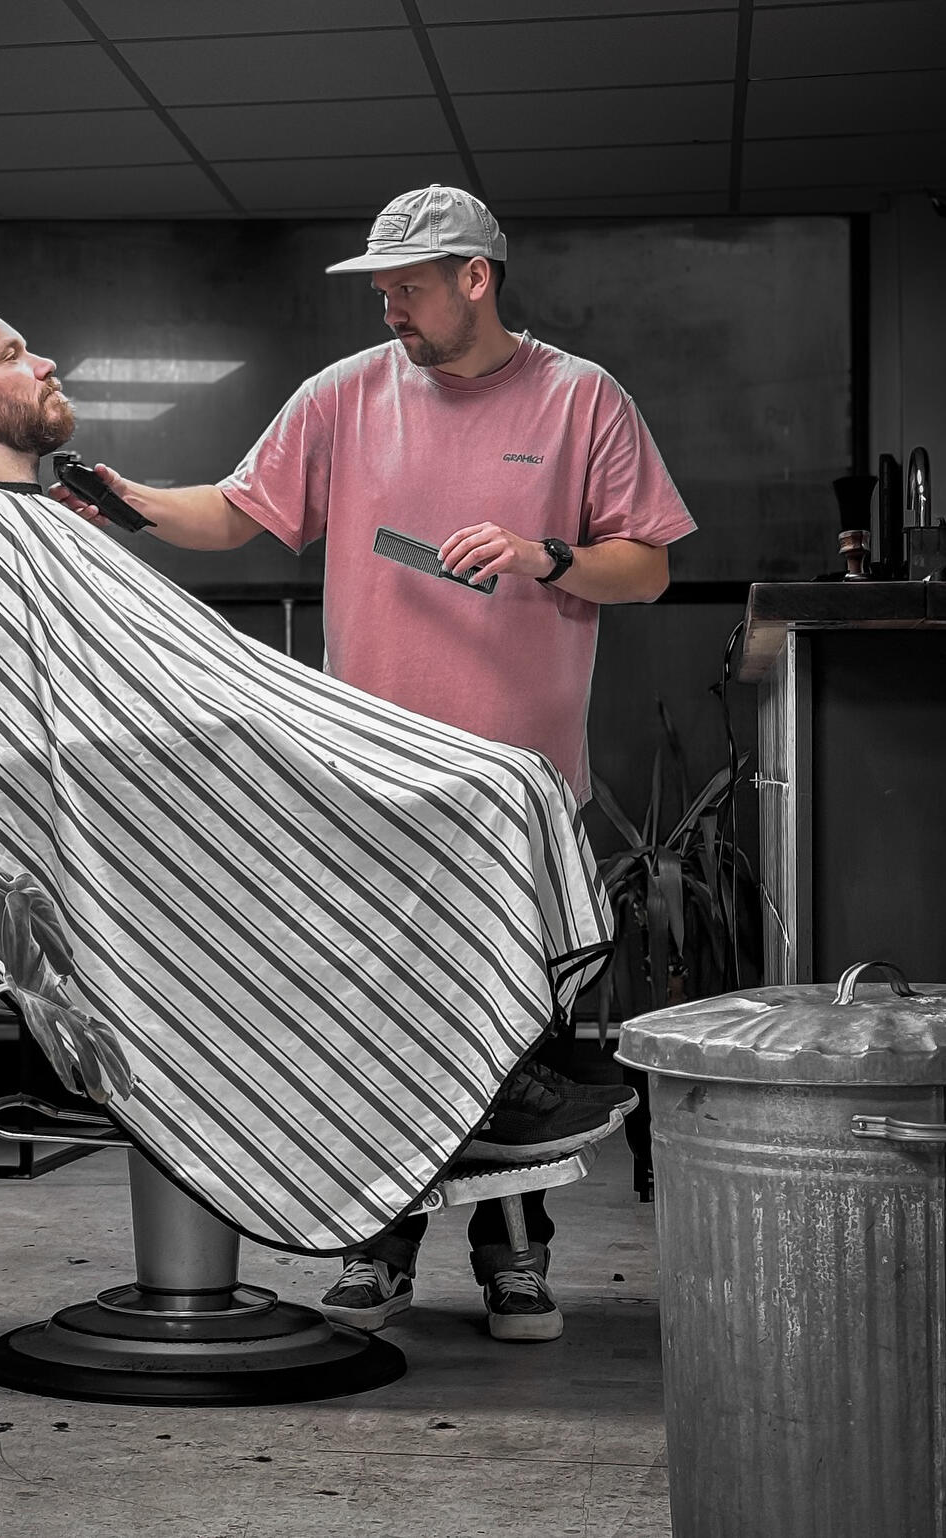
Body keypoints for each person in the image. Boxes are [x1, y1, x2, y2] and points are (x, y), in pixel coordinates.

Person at [50, 184, 697, 1344]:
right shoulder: (342, 396)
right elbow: (237, 512)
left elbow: (645, 567)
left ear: (475, 277)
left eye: (407, 286)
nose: (388, 307)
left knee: (519, 1030)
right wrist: (133, 503)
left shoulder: (581, 396)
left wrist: (543, 555)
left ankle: (514, 1258)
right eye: (380, 287)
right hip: (369, 783)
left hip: (515, 788)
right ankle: (377, 1244)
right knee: (377, 1014)